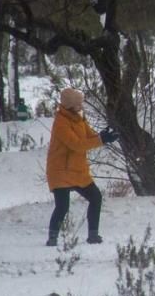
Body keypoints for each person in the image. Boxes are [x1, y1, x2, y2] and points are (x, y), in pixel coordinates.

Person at [45, 88, 119, 246]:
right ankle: (52, 238)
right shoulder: (60, 123)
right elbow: (77, 145)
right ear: (69, 105)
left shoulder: (79, 117)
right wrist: (100, 140)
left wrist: (104, 136)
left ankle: (93, 235)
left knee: (95, 198)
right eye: (79, 103)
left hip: (77, 171)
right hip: (61, 171)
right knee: (62, 206)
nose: (82, 106)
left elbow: (90, 136)